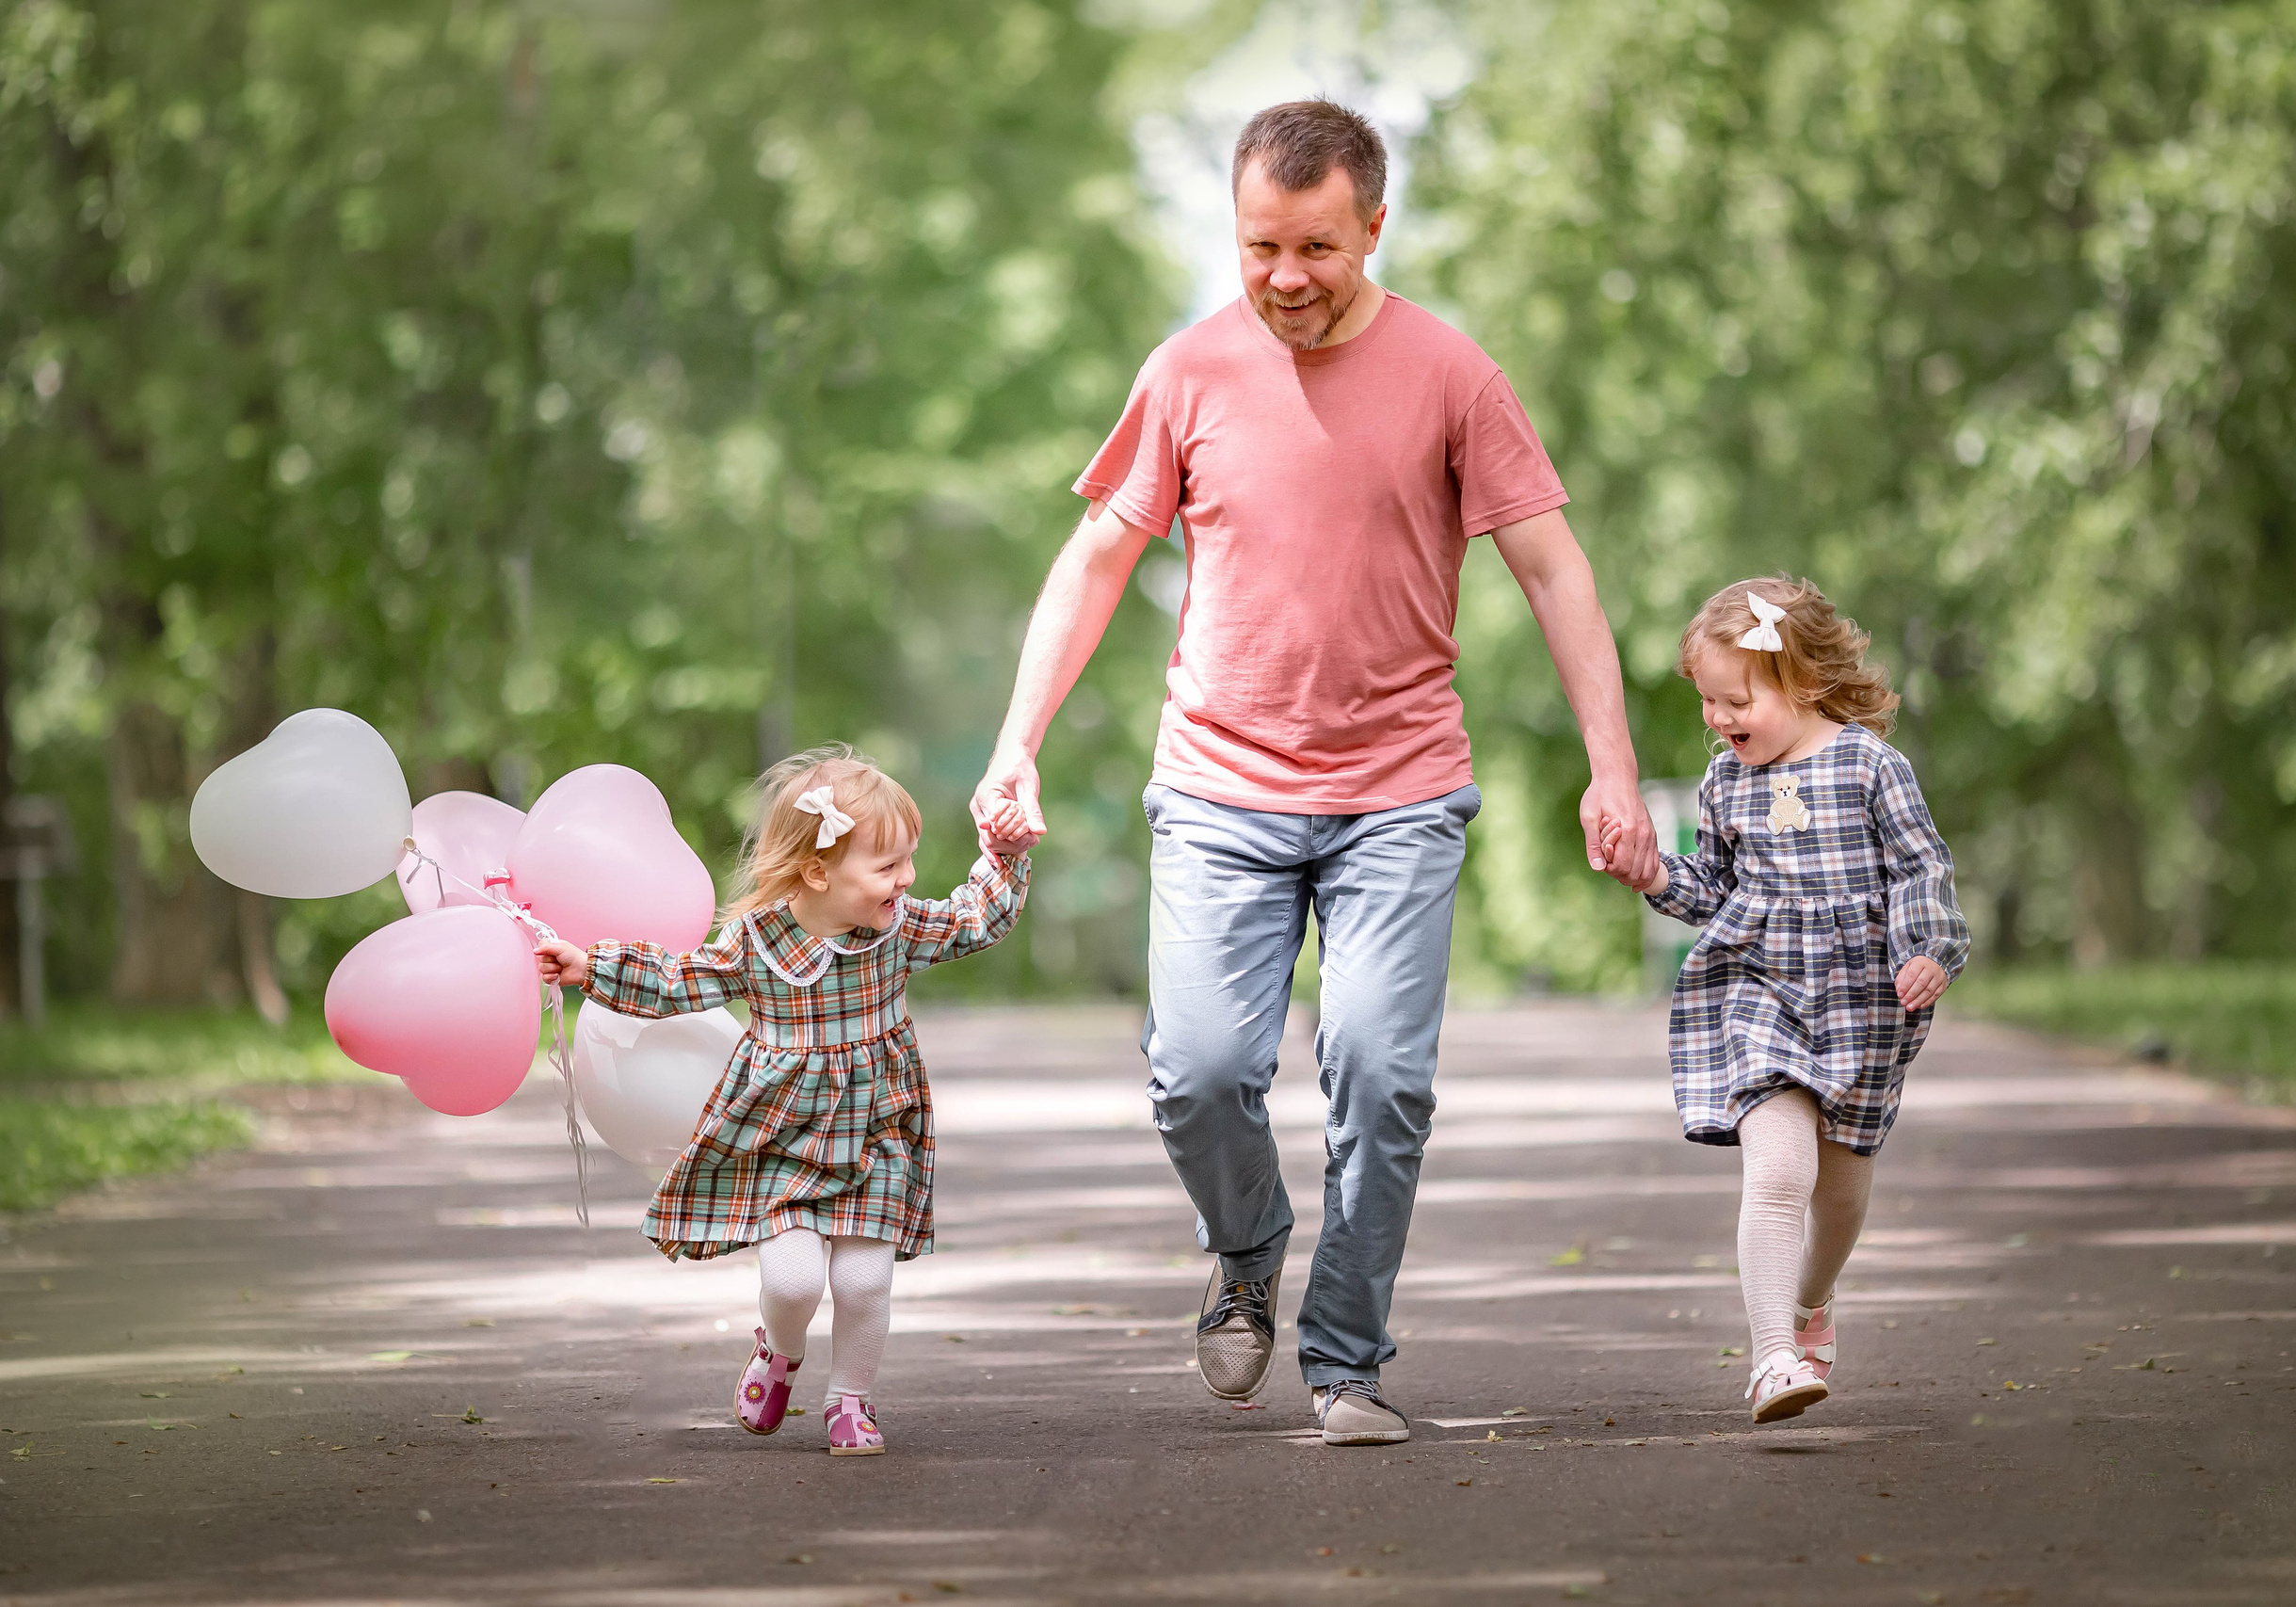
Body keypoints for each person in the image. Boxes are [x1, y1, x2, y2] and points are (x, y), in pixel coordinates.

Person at [972, 100, 1659, 1447]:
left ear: (1375, 227)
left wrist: (1614, 768)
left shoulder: (1455, 374)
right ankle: (1248, 1249)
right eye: (1260, 245)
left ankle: (1347, 1355)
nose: (1285, 276)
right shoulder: (1188, 370)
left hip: (1399, 787)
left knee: (1378, 1069)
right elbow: (1098, 559)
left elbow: (1554, 569)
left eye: (1317, 248)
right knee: (1199, 1070)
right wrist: (1018, 740)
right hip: (1221, 785)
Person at [536, 747, 1038, 1456]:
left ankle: (850, 1401)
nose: (908, 878)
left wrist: (1004, 856)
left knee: (864, 1281)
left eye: (909, 860)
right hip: (783, 1138)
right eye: (888, 865)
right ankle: (778, 1351)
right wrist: (595, 966)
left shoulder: (897, 932)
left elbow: (972, 918)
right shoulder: (759, 943)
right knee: (795, 1280)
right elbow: (683, 978)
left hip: (877, 1133)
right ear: (817, 871)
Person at [1607, 578, 1969, 1422]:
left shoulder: (1871, 765)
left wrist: (1926, 947)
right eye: (1707, 701)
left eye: (1736, 699)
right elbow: (1714, 893)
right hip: (1759, 989)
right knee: (1777, 1167)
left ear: (1802, 683)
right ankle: (1772, 1353)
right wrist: (1657, 872)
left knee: (1839, 1192)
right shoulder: (1725, 785)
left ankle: (1811, 1299)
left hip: (1862, 1006)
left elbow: (1922, 867)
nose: (1718, 718)